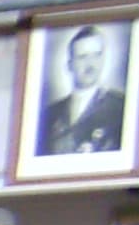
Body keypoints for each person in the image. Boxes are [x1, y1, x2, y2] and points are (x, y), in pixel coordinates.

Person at [38, 23, 129, 156]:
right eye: (83, 57)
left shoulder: (120, 106)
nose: (90, 65)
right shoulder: (50, 113)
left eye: (96, 55)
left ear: (103, 60)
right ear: (70, 65)